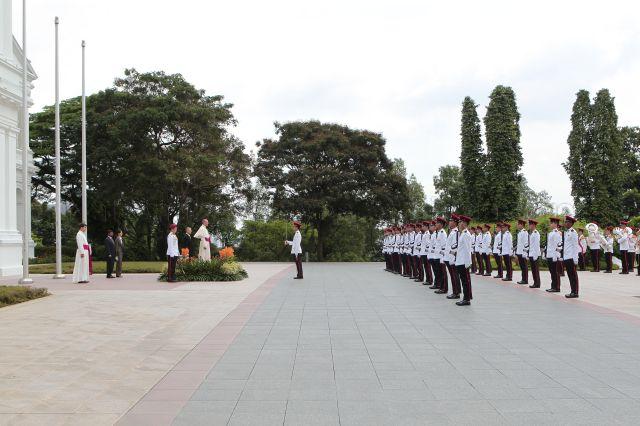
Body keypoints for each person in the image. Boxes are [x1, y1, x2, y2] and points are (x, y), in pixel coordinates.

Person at [455, 215, 473, 306]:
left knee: (465, 281)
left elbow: (467, 250)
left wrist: (467, 263)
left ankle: (466, 299)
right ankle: (466, 298)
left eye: (460, 222)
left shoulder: (466, 234)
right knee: (464, 281)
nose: (458, 224)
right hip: (460, 261)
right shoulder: (463, 233)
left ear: (464, 223)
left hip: (463, 262)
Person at [563, 216, 580, 298]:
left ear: (570, 223)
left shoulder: (573, 232)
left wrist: (575, 259)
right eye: (565, 222)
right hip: (567, 257)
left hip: (571, 258)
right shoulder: (568, 232)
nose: (565, 223)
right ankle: (572, 291)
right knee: (570, 275)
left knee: (573, 275)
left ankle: (575, 292)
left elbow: (575, 246)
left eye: (567, 222)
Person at [443, 215, 460, 298]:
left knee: (454, 275)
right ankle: (455, 291)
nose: (449, 222)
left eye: (451, 221)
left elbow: (455, 247)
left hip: (452, 258)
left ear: (455, 223)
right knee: (452, 275)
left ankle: (456, 293)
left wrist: (453, 258)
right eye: (449, 221)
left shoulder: (456, 232)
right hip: (448, 257)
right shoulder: (451, 231)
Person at [432, 217, 448, 293]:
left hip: (440, 257)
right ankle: (440, 286)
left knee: (442, 273)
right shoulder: (438, 233)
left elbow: (444, 247)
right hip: (436, 255)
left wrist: (442, 258)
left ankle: (444, 288)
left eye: (437, 223)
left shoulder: (443, 233)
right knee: (438, 272)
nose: (436, 224)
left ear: (441, 224)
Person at [545, 217, 562, 292]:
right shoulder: (551, 233)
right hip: (550, 255)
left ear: (555, 224)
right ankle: (553, 286)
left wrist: (556, 256)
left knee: (555, 272)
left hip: (554, 256)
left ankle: (557, 287)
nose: (550, 224)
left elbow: (558, 245)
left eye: (552, 223)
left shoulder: (557, 233)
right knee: (552, 272)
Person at [528, 219, 541, 288]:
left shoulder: (536, 233)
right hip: (532, 253)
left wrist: (535, 255)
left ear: (533, 225)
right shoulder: (532, 233)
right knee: (533, 270)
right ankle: (535, 282)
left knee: (535, 270)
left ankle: (537, 283)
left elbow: (536, 245)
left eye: (530, 224)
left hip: (534, 254)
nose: (529, 226)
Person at [515, 219, 529, 285]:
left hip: (523, 253)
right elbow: (519, 244)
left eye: (518, 224)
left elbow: (526, 243)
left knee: (524, 266)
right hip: (519, 252)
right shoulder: (520, 233)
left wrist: (525, 253)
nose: (517, 225)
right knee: (522, 266)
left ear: (522, 225)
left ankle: (525, 280)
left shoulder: (525, 232)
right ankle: (523, 279)